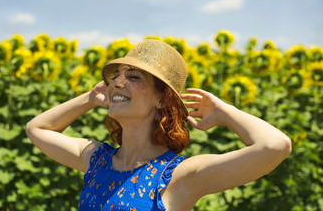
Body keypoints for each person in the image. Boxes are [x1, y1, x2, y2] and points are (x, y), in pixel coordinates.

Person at [26, 39, 292, 210]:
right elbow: (36, 129)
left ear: (161, 100)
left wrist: (225, 111)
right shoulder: (96, 159)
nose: (118, 83)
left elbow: (275, 146)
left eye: (133, 77)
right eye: (116, 77)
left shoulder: (180, 177)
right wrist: (89, 98)